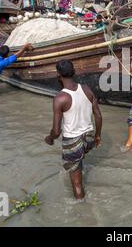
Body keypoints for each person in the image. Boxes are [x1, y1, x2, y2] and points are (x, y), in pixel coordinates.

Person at [44, 60, 102, 200]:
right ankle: (78, 167)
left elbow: (57, 131)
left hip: (72, 142)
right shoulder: (86, 89)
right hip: (88, 138)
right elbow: (98, 115)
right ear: (74, 72)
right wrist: (97, 136)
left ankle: (82, 212)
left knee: (77, 184)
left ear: (58, 74)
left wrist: (50, 138)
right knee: (79, 161)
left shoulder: (60, 98)